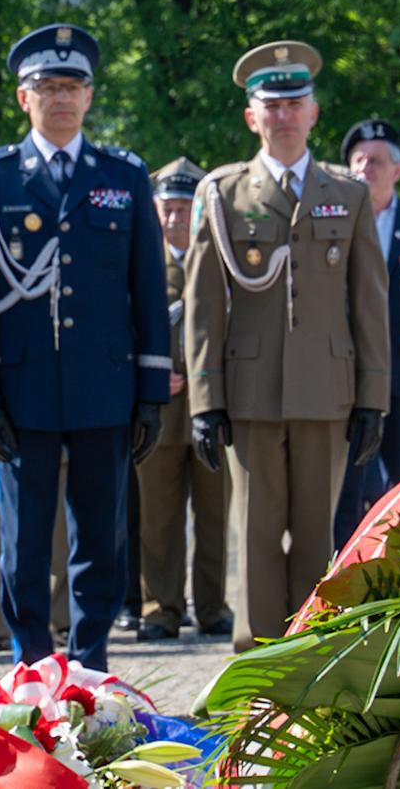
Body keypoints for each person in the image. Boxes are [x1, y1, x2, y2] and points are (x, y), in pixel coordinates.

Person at [0, 23, 168, 671]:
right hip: (21, 393)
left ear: (91, 95)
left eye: (73, 86)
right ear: (24, 97)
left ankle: (93, 662)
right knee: (20, 546)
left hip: (105, 388)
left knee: (100, 539)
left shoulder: (123, 175)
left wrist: (152, 392)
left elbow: (148, 292)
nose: (62, 98)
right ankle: (32, 664)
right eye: (49, 86)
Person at [185, 40, 390, 652]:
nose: (283, 116)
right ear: (252, 116)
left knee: (315, 536)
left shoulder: (347, 194)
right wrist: (204, 399)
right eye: (270, 106)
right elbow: (202, 305)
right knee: (255, 531)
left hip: (327, 390)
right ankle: (255, 659)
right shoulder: (223, 195)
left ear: (313, 112)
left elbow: (369, 301)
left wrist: (373, 396)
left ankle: (308, 653)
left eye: (294, 103)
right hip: (250, 391)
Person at [135, 157, 234, 641]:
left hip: (210, 406)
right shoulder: (140, 258)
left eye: (183, 209)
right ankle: (160, 609)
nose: (174, 219)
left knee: (214, 513)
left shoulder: (221, 253)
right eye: (167, 209)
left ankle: (213, 607)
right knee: (158, 518)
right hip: (157, 409)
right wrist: (147, 375)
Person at [332, 120, 400, 544]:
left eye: (376, 160)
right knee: (348, 484)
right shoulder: (334, 217)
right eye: (358, 160)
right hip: (346, 374)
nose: (366, 168)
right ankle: (344, 567)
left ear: (397, 170)